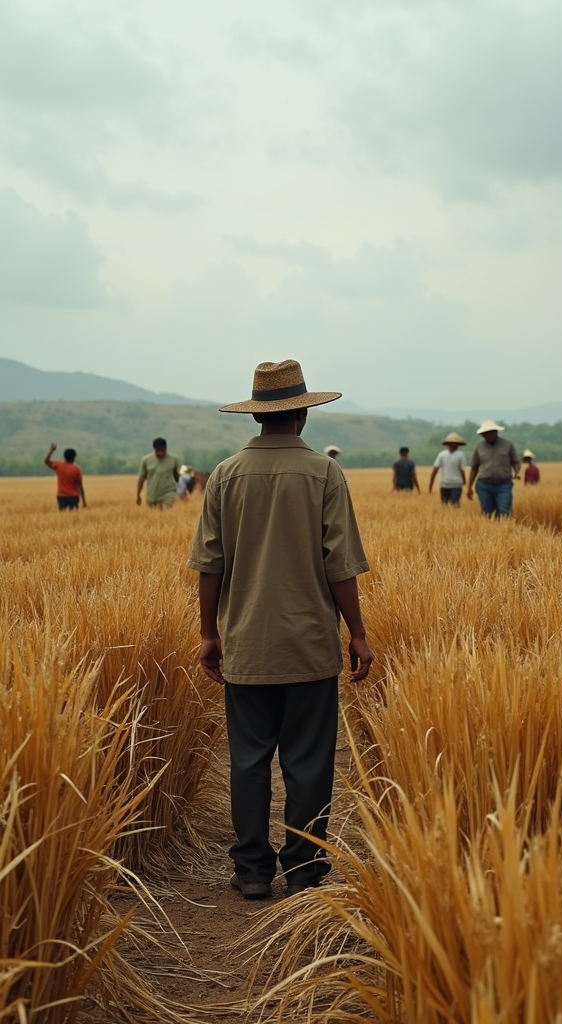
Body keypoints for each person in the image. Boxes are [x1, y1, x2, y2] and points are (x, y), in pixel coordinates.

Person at [188, 359, 373, 900]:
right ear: (302, 414)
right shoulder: (324, 474)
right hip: (309, 644)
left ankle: (250, 870)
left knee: (247, 760)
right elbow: (339, 565)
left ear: (259, 417)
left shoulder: (224, 474)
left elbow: (210, 564)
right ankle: (305, 868)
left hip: (246, 643)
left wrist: (208, 633)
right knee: (309, 760)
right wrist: (357, 633)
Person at [467, 420, 521, 518]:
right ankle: (491, 532)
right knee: (487, 514)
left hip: (504, 485)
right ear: (483, 435)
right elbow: (474, 468)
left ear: (496, 432)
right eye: (485, 434)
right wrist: (469, 487)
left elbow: (516, 462)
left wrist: (516, 473)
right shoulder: (479, 447)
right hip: (484, 485)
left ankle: (504, 531)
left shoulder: (508, 445)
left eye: (490, 432)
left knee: (504, 512)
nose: (488, 435)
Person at [136, 437, 180, 509]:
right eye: (158, 450)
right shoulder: (146, 460)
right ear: (154, 449)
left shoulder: (174, 460)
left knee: (166, 510)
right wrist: (138, 495)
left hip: (168, 493)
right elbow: (141, 478)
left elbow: (177, 477)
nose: (161, 453)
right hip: (152, 495)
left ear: (166, 449)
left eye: (163, 450)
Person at [44, 442, 87, 511]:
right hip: (74, 496)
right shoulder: (77, 469)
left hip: (61, 496)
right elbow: (80, 485)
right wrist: (84, 501)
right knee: (73, 516)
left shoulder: (58, 465)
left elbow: (46, 461)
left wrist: (51, 450)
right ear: (74, 457)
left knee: (62, 517)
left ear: (64, 456)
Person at [428, 432, 467, 506]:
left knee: (454, 505)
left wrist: (464, 482)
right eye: (452, 443)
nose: (454, 445)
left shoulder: (460, 455)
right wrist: (431, 483)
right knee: (444, 505)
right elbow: (435, 469)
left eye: (455, 443)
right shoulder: (442, 455)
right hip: (444, 484)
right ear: (448, 444)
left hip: (456, 484)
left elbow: (462, 471)